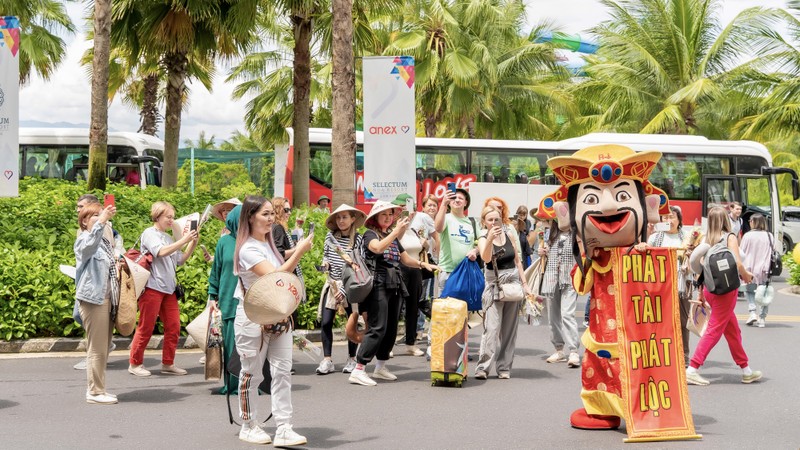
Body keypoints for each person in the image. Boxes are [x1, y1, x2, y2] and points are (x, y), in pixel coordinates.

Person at [233, 195, 313, 446]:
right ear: (250, 217)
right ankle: (248, 425)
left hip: (278, 317)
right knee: (251, 374)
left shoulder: (268, 244)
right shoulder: (247, 248)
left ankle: (284, 427)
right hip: (252, 319)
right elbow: (274, 276)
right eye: (265, 214)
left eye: (271, 214)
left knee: (282, 372)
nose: (270, 219)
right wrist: (299, 251)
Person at [348, 200, 437, 386]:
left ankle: (380, 367)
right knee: (377, 327)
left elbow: (405, 259)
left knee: (391, 328)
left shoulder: (391, 235)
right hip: (378, 284)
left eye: (390, 215)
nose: (388, 218)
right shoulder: (369, 234)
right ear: (375, 218)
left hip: (395, 284)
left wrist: (423, 264)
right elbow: (377, 248)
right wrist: (397, 231)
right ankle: (359, 369)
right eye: (384, 215)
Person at [686, 206, 762, 386]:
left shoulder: (706, 240)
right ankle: (693, 368)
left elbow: (701, 269)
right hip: (726, 291)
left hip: (710, 289)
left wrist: (701, 293)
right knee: (714, 330)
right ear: (726, 220)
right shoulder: (729, 237)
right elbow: (736, 262)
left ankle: (746, 370)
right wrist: (747, 275)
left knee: (732, 330)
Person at [128, 201, 198, 377]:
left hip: (169, 288)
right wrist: (183, 240)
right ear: (157, 215)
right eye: (168, 217)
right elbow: (160, 252)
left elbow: (179, 260)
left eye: (172, 217)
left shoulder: (168, 238)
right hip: (152, 286)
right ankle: (135, 363)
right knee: (146, 326)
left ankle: (168, 363)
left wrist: (193, 243)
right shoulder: (149, 234)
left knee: (174, 326)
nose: (171, 220)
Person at [475, 206, 529, 379]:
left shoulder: (510, 235)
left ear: (501, 220)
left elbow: (518, 261)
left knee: (509, 330)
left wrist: (525, 284)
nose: (493, 223)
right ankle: (483, 367)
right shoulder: (483, 237)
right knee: (491, 327)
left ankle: (504, 367)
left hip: (512, 284)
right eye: (489, 220)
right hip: (494, 285)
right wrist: (490, 239)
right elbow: (485, 258)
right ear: (484, 222)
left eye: (496, 219)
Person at [75, 202, 119, 404]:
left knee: (103, 347)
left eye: (101, 214)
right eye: (95, 216)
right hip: (94, 299)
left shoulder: (104, 241)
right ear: (84, 221)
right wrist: (102, 221)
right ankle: (94, 391)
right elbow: (88, 247)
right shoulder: (84, 239)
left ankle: (99, 389)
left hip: (108, 298)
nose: (101, 218)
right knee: (96, 347)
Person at [316, 204, 365, 375]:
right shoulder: (330, 237)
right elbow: (326, 256)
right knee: (326, 322)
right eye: (338, 217)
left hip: (350, 286)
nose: (341, 221)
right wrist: (324, 264)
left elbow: (357, 265)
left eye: (344, 217)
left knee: (352, 324)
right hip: (332, 285)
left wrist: (344, 289)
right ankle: (327, 359)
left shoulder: (358, 240)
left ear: (353, 219)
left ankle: (352, 358)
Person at [641, 205, 693, 365]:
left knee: (683, 321)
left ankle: (684, 356)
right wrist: (644, 241)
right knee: (659, 321)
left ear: (679, 220)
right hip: (660, 286)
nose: (669, 220)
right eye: (665, 217)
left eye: (672, 217)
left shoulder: (688, 238)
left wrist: (691, 254)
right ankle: (659, 354)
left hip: (682, 285)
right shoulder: (655, 238)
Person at [207, 204, 242, 394]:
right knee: (230, 344)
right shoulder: (224, 242)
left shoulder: (256, 240)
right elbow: (216, 271)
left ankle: (252, 384)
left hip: (251, 302)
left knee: (249, 347)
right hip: (228, 299)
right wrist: (213, 295)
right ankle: (233, 385)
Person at [539, 219, 580, 368]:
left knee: (567, 314)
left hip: (570, 278)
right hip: (551, 278)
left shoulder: (578, 233)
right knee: (553, 316)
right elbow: (543, 253)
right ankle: (559, 349)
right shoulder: (550, 234)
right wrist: (541, 252)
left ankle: (574, 350)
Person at [392, 194, 425, 357]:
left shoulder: (414, 229)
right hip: (399, 270)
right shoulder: (394, 228)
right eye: (403, 209)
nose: (407, 213)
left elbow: (418, 248)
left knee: (413, 307)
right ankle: (388, 344)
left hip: (415, 270)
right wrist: (401, 226)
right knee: (396, 308)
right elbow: (394, 242)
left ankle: (411, 343)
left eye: (410, 209)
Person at [434, 188, 479, 296]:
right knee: (446, 310)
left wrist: (475, 251)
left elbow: (481, 243)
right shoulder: (446, 218)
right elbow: (438, 228)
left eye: (460, 198)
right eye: (454, 198)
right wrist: (443, 204)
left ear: (466, 202)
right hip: (448, 272)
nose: (457, 200)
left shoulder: (472, 222)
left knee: (464, 308)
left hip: (466, 272)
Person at [740, 213, 773, 328]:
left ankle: (752, 312)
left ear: (753, 222)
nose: (749, 222)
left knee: (749, 291)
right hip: (764, 269)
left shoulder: (747, 236)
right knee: (764, 292)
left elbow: (741, 252)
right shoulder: (769, 236)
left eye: (750, 221)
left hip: (749, 268)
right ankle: (762, 318)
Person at [514, 205, 534, 269]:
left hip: (525, 243)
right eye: (520, 214)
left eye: (523, 215)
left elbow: (529, 234)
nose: (522, 216)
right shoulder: (514, 221)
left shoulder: (528, 222)